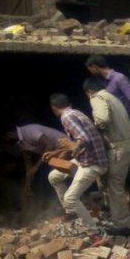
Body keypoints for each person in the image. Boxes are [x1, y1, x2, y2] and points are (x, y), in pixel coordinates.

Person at [44, 94, 108, 240]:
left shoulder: (66, 117)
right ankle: (71, 212)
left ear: (53, 108)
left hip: (93, 163)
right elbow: (79, 143)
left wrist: (71, 146)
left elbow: (83, 139)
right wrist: (57, 152)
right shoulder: (76, 112)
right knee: (53, 177)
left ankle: (94, 233)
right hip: (86, 158)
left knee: (70, 197)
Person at [83, 77, 130, 236]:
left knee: (115, 186)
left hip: (119, 147)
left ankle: (123, 225)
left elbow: (102, 119)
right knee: (105, 177)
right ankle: (109, 208)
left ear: (89, 92)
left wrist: (94, 129)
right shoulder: (113, 97)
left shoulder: (97, 98)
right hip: (126, 144)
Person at [85, 55, 130, 128]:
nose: (91, 72)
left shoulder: (118, 78)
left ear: (94, 66)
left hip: (127, 123)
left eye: (90, 69)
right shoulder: (105, 81)